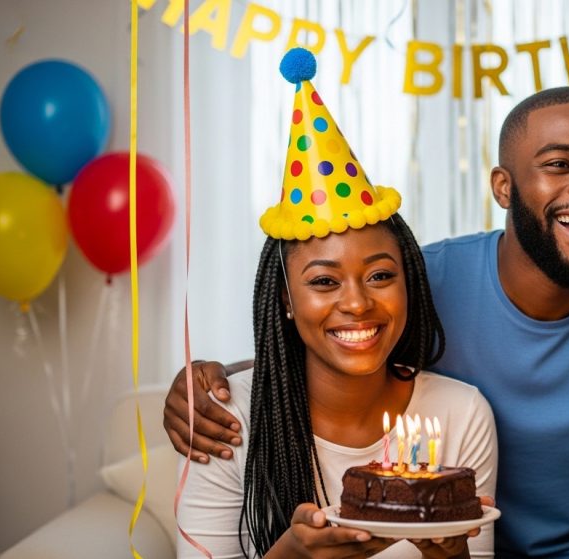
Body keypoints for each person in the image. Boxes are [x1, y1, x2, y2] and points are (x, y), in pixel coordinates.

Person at [166, 86, 569, 558]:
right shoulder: (426, 282)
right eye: (558, 164)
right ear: (503, 185)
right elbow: (339, 333)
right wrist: (210, 377)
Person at [175, 48, 498, 559]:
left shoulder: (461, 414)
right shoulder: (227, 418)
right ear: (285, 298)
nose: (357, 302)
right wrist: (293, 556)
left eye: (380, 275)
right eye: (325, 282)